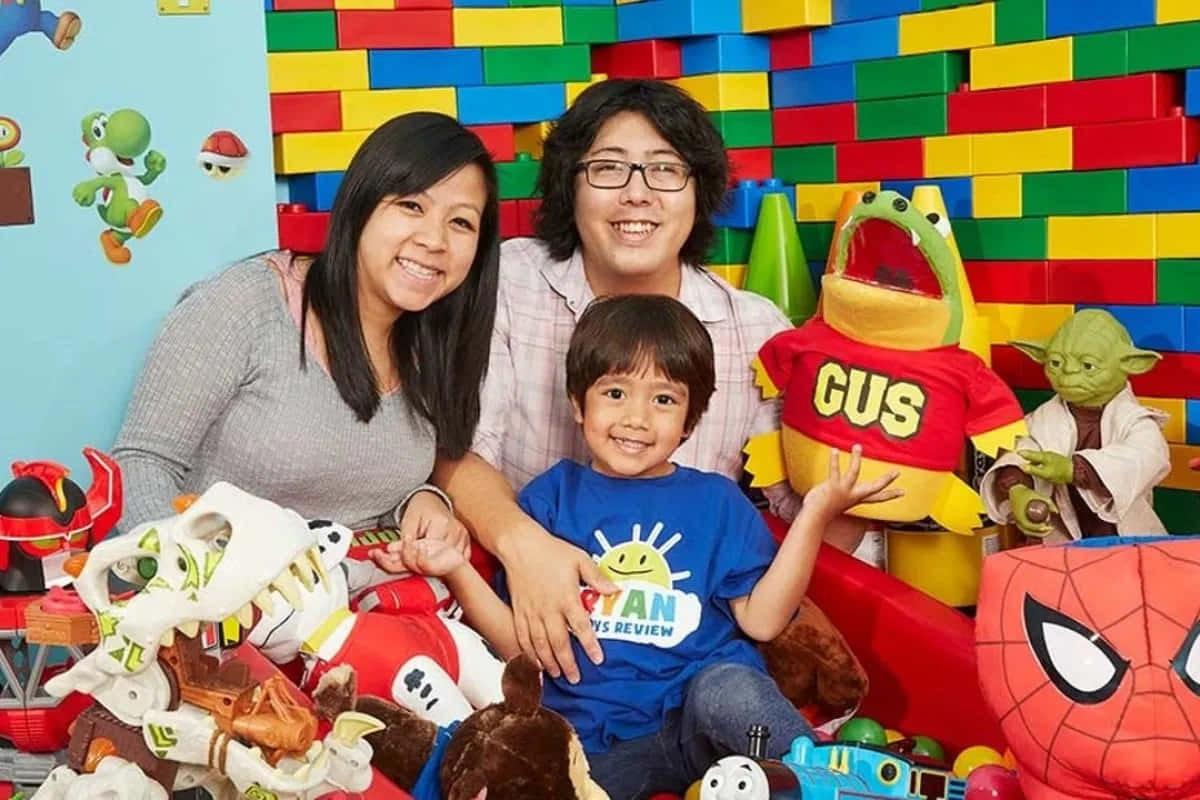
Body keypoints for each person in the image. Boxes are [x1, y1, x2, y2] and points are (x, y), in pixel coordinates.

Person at [431, 78, 866, 686]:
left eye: (665, 170)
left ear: (699, 191)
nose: (637, 195)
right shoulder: (509, 283)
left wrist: (874, 470)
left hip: (681, 653)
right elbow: (454, 453)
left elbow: (801, 521)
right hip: (525, 625)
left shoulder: (752, 330)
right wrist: (527, 549)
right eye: (608, 169)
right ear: (570, 187)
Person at [397, 295, 901, 798]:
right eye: (615, 392)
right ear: (578, 402)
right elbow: (519, 645)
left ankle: (835, 783)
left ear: (690, 419)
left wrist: (814, 513)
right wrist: (457, 570)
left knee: (730, 687)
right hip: (595, 743)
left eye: (663, 399)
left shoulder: (715, 501)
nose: (636, 418)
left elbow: (763, 621)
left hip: (699, 722)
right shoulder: (549, 500)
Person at [112, 112, 500, 546]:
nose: (435, 240)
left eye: (461, 222)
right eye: (412, 206)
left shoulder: (434, 342)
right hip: (224, 601)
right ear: (361, 205)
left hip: (351, 601)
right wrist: (199, 577)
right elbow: (140, 464)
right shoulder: (246, 303)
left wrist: (421, 503)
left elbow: (359, 488)